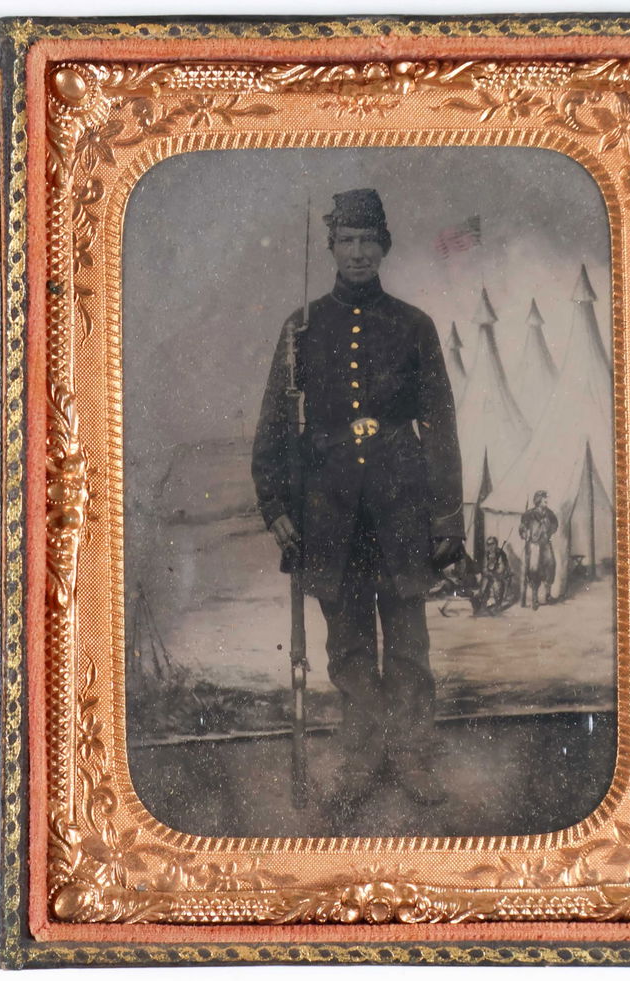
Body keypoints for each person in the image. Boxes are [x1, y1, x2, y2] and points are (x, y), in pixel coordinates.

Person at [251, 188, 463, 810]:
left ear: (385, 247)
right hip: (329, 515)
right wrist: (277, 508)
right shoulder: (302, 328)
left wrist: (446, 514)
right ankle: (361, 761)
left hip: (402, 511)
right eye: (348, 241)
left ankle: (413, 758)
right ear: (332, 248)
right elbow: (273, 430)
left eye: (371, 241)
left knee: (407, 649)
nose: (360, 253)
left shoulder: (413, 326)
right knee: (346, 651)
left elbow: (441, 425)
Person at [519, 490, 559, 609]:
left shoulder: (550, 513)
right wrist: (524, 533)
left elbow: (555, 524)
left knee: (551, 564)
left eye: (546, 498)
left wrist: (551, 532)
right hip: (534, 544)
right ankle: (535, 599)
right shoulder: (529, 514)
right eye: (544, 498)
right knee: (534, 569)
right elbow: (522, 528)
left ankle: (548, 594)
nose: (547, 500)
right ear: (538, 500)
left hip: (545, 543)